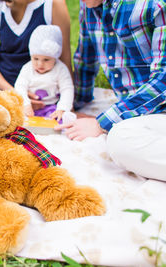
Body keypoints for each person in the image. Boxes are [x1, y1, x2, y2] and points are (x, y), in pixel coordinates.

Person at [54, 0, 166, 181]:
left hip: (160, 107)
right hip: (140, 115)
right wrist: (71, 105)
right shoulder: (89, 5)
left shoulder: (155, 5)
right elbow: (85, 59)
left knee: (119, 140)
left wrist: (101, 124)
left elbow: (164, 80)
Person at [14, 24, 74, 121]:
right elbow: (20, 86)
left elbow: (67, 89)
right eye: (36, 58)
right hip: (30, 106)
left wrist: (62, 108)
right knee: (16, 117)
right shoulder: (27, 68)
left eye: (46, 60)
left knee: (60, 119)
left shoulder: (60, 69)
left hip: (51, 107)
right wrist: (26, 104)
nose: (40, 64)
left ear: (55, 57)